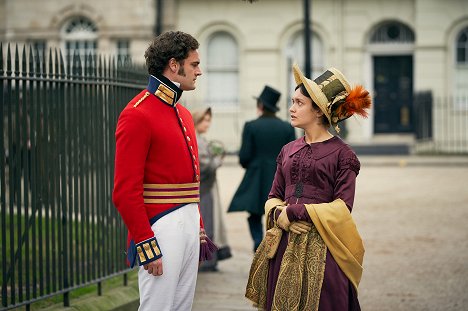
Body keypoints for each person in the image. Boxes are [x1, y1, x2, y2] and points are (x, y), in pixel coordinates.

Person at [245, 64, 371, 311]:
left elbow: (343, 207)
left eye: (299, 103)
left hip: (324, 249)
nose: (291, 108)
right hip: (283, 246)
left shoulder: (343, 155)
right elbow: (274, 196)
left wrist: (295, 212)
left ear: (319, 111)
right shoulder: (288, 150)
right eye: (292, 102)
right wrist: (280, 216)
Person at [112, 31, 215, 311]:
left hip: (188, 224)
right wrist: (146, 243)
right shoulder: (137, 113)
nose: (199, 71)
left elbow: (190, 182)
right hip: (160, 226)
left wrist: (198, 227)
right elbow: (124, 191)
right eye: (193, 64)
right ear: (173, 64)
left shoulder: (182, 114)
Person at [228, 85, 296, 252]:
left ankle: (259, 243)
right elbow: (292, 158)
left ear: (261, 106)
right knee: (277, 213)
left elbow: (244, 157)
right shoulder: (287, 127)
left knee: (254, 214)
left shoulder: (251, 126)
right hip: (280, 178)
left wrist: (252, 165)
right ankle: (275, 244)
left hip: (256, 177)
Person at [192, 107, 232, 272]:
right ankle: (207, 260)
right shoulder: (196, 138)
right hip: (203, 189)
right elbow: (203, 165)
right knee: (206, 223)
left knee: (209, 222)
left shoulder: (200, 138)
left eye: (209, 120)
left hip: (207, 187)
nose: (207, 124)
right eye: (205, 120)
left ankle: (209, 258)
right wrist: (217, 160)